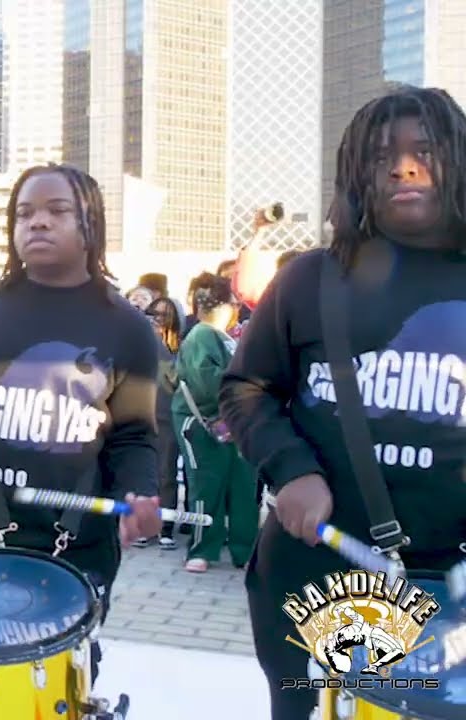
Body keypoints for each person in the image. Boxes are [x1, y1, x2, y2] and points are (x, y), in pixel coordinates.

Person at [220, 85, 466, 720]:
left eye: (426, 149)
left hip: (453, 579)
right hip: (316, 576)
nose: (404, 166)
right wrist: (290, 468)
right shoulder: (310, 277)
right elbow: (246, 388)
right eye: (381, 154)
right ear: (355, 173)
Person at [0, 163, 163, 687]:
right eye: (25, 213)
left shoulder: (128, 326)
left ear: (90, 222)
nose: (37, 223)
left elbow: (134, 435)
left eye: (56, 211)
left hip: (73, 551)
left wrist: (139, 491)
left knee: (55, 689)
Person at [171, 273, 257, 573]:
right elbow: (207, 384)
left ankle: (244, 550)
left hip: (235, 424)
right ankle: (202, 548)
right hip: (204, 424)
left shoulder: (225, 337)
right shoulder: (201, 337)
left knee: (244, 486)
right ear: (223, 307)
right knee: (206, 486)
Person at [134, 296, 183, 549]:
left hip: (170, 417)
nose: (157, 319)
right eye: (153, 314)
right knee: (144, 474)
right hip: (142, 415)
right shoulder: (143, 344)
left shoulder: (181, 348)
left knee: (167, 474)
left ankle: (165, 527)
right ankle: (144, 526)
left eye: (164, 315)